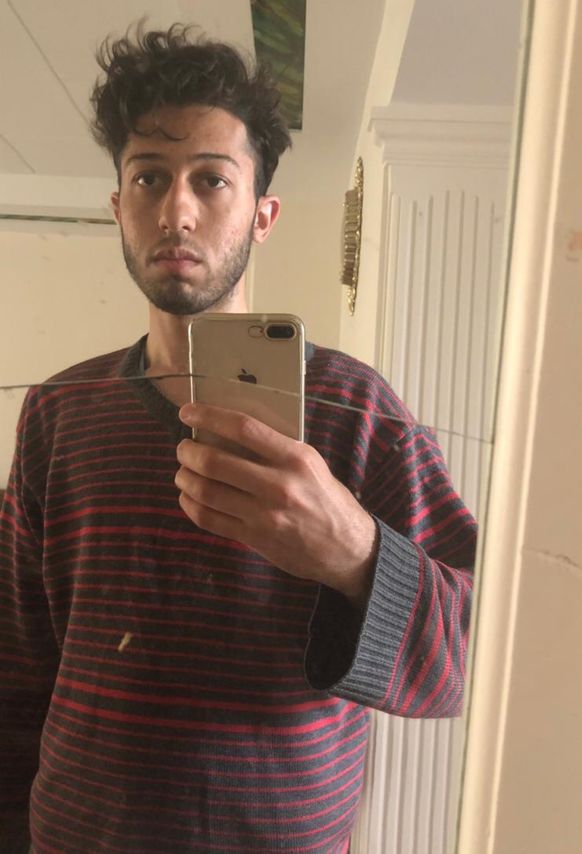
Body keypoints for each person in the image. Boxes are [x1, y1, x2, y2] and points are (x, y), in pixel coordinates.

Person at [0, 24, 477, 854]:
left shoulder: (356, 410)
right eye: (149, 177)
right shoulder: (59, 411)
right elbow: (15, 662)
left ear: (262, 214)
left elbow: (473, 657)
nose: (176, 210)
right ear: (118, 208)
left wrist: (354, 553)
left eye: (212, 179)